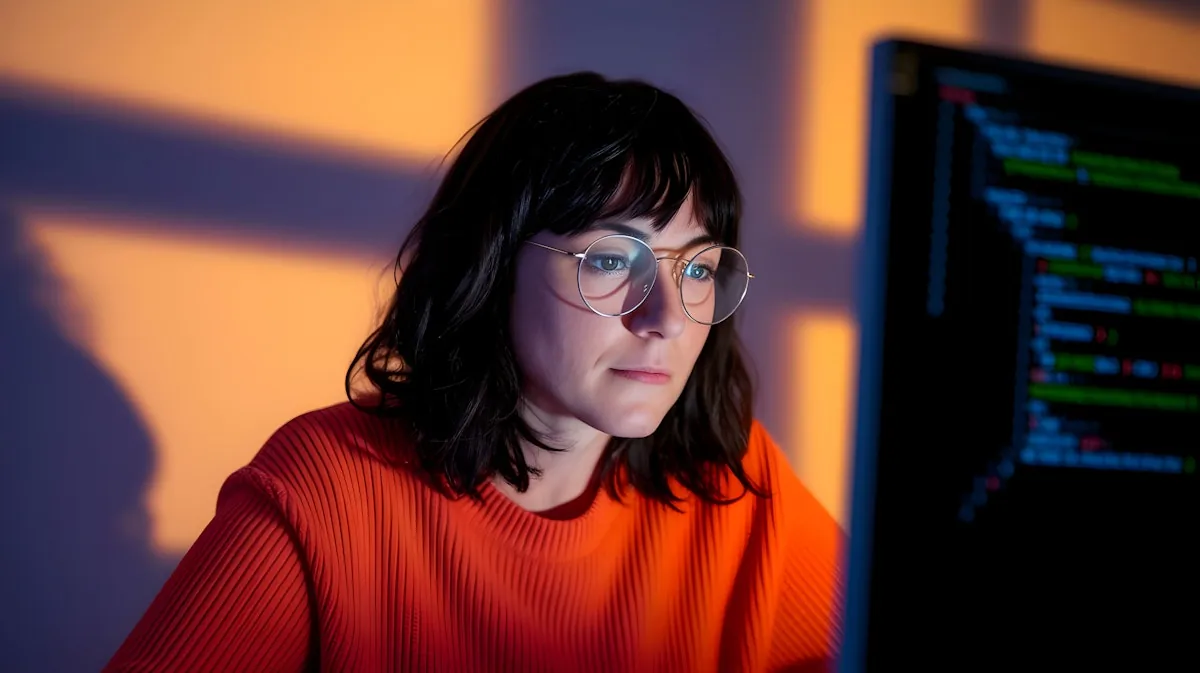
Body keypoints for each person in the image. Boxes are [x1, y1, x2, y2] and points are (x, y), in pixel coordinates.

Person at [102, 71, 844, 673]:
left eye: (700, 268)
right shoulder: (329, 486)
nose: (669, 318)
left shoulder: (738, 484)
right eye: (615, 260)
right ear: (491, 265)